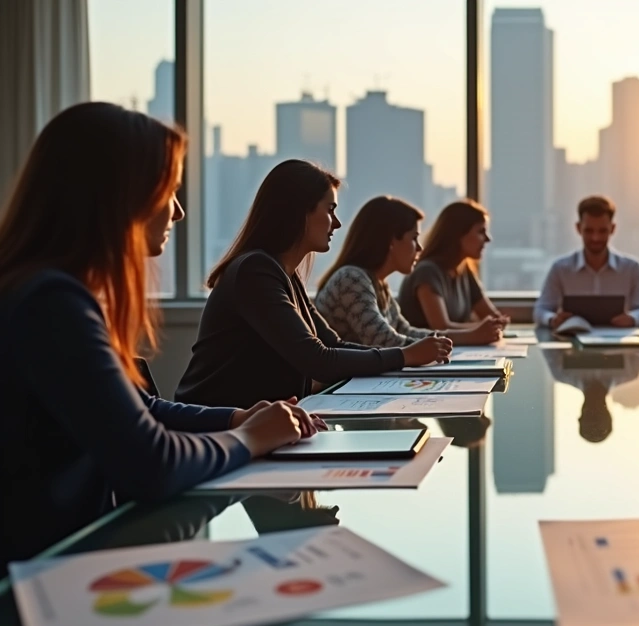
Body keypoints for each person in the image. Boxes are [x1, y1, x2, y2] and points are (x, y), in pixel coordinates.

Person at [0, 103, 316, 566]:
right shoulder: (50, 303)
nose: (179, 211)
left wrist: (237, 419)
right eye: (169, 192)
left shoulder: (48, 291)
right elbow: (152, 464)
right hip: (44, 576)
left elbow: (140, 409)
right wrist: (251, 439)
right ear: (120, 197)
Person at [176, 160, 452, 409]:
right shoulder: (255, 271)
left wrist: (406, 354)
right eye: (330, 210)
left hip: (258, 422)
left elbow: (333, 344)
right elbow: (318, 360)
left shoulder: (285, 275)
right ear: (299, 212)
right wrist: (403, 356)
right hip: (215, 425)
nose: (337, 223)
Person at [315, 196, 503, 347]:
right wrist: (455, 340)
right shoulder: (351, 279)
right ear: (391, 241)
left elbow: (405, 331)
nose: (419, 248)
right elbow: (384, 342)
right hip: (337, 382)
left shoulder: (379, 284)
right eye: (414, 238)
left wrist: (447, 341)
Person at [534, 195, 639, 329]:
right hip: (572, 339)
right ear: (578, 228)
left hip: (618, 339)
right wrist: (552, 319)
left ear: (613, 228)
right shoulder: (560, 268)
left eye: (602, 231)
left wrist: (632, 318)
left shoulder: (631, 268)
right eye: (589, 231)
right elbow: (541, 309)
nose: (595, 238)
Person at [398, 199, 509, 331]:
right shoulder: (427, 272)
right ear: (458, 234)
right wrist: (485, 328)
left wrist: (497, 322)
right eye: (481, 231)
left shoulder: (464, 270)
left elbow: (491, 315)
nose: (488, 239)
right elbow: (441, 327)